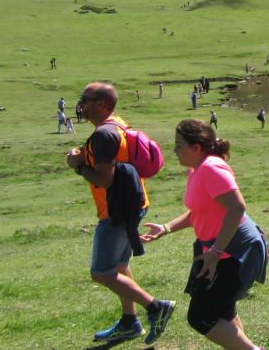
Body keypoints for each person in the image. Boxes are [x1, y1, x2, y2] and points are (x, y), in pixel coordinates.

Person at [141, 119, 268, 350]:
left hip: (235, 250)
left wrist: (216, 252)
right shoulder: (197, 170)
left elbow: (237, 207)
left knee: (200, 317)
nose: (175, 151)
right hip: (216, 250)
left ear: (196, 147)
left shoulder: (211, 168)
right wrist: (166, 228)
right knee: (223, 312)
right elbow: (198, 213)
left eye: (179, 145)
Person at [65, 82, 175, 344]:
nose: (81, 104)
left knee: (102, 272)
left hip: (115, 210)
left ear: (102, 105)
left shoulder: (104, 134)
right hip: (133, 203)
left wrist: (77, 166)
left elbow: (104, 179)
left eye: (86, 99)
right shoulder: (117, 125)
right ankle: (129, 323)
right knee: (120, 266)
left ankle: (156, 307)